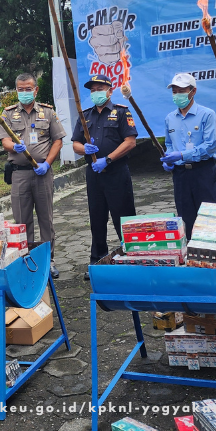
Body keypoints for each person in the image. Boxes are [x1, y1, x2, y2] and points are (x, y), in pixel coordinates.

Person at [72, 74, 138, 281]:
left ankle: (133, 259)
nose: (96, 93)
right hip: (94, 175)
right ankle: (97, 261)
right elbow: (75, 144)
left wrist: (108, 159)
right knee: (97, 218)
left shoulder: (121, 112)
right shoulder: (85, 115)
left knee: (124, 217)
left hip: (116, 172)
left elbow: (130, 142)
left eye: (99, 89)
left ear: (110, 91)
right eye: (92, 90)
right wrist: (84, 148)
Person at [0, 73, 65, 278]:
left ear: (35, 90)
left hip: (42, 174)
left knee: (46, 219)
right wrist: (14, 146)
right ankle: (26, 260)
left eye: (28, 89)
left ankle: (48, 261)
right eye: (20, 89)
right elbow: (4, 141)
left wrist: (47, 163)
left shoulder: (48, 112)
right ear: (16, 90)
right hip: (19, 175)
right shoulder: (8, 113)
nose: (24, 92)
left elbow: (58, 141)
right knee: (22, 220)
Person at [159, 73, 216, 230]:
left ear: (193, 91)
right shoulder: (170, 118)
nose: (177, 95)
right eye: (174, 92)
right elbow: (169, 143)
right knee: (186, 217)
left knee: (210, 217)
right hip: (180, 174)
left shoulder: (207, 114)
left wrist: (181, 155)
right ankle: (190, 245)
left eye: (181, 91)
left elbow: (210, 146)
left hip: (203, 171)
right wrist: (169, 159)